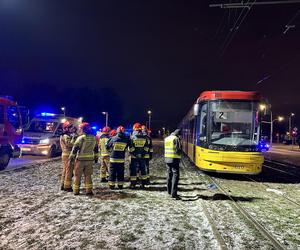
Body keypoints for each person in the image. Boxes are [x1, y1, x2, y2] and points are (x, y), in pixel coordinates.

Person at [69, 122, 98, 196]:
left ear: (83, 129)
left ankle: (76, 191)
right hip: (90, 160)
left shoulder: (81, 138)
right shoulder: (94, 138)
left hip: (80, 160)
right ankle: (89, 191)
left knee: (77, 175)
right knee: (88, 175)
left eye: (81, 128)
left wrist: (72, 157)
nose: (80, 130)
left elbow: (75, 148)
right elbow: (96, 148)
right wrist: (96, 157)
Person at [129, 123, 150, 189]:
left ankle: (133, 184)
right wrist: (143, 154)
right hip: (142, 157)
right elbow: (147, 147)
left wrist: (135, 154)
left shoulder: (132, 137)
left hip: (134, 157)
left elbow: (131, 147)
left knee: (134, 171)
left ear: (134, 128)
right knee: (143, 170)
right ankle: (143, 184)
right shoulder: (144, 136)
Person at [164, 129, 182, 200]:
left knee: (169, 174)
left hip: (167, 158)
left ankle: (169, 191)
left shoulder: (167, 138)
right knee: (175, 175)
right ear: (178, 134)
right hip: (174, 159)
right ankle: (174, 194)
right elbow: (178, 150)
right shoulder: (176, 138)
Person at [59, 121, 77, 191]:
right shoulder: (66, 136)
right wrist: (74, 139)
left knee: (65, 170)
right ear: (66, 128)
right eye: (70, 127)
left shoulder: (64, 135)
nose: (72, 129)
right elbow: (69, 144)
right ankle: (67, 186)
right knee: (69, 171)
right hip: (68, 155)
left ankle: (63, 185)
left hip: (66, 155)